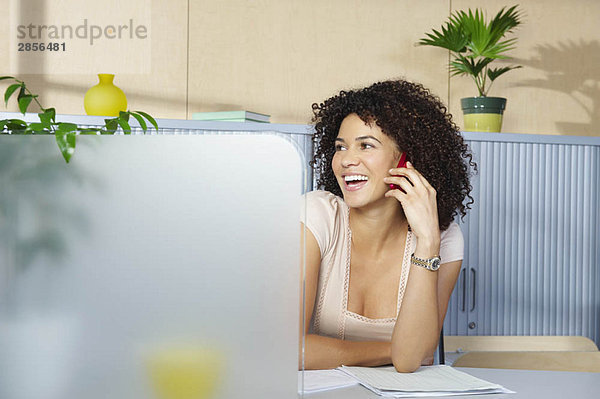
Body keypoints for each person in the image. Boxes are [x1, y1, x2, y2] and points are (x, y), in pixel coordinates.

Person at [300, 79, 475, 372]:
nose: (345, 160)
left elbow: (409, 362)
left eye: (365, 145)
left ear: (407, 159)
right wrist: (391, 350)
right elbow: (291, 351)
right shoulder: (317, 216)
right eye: (340, 147)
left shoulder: (444, 238)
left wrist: (428, 240)